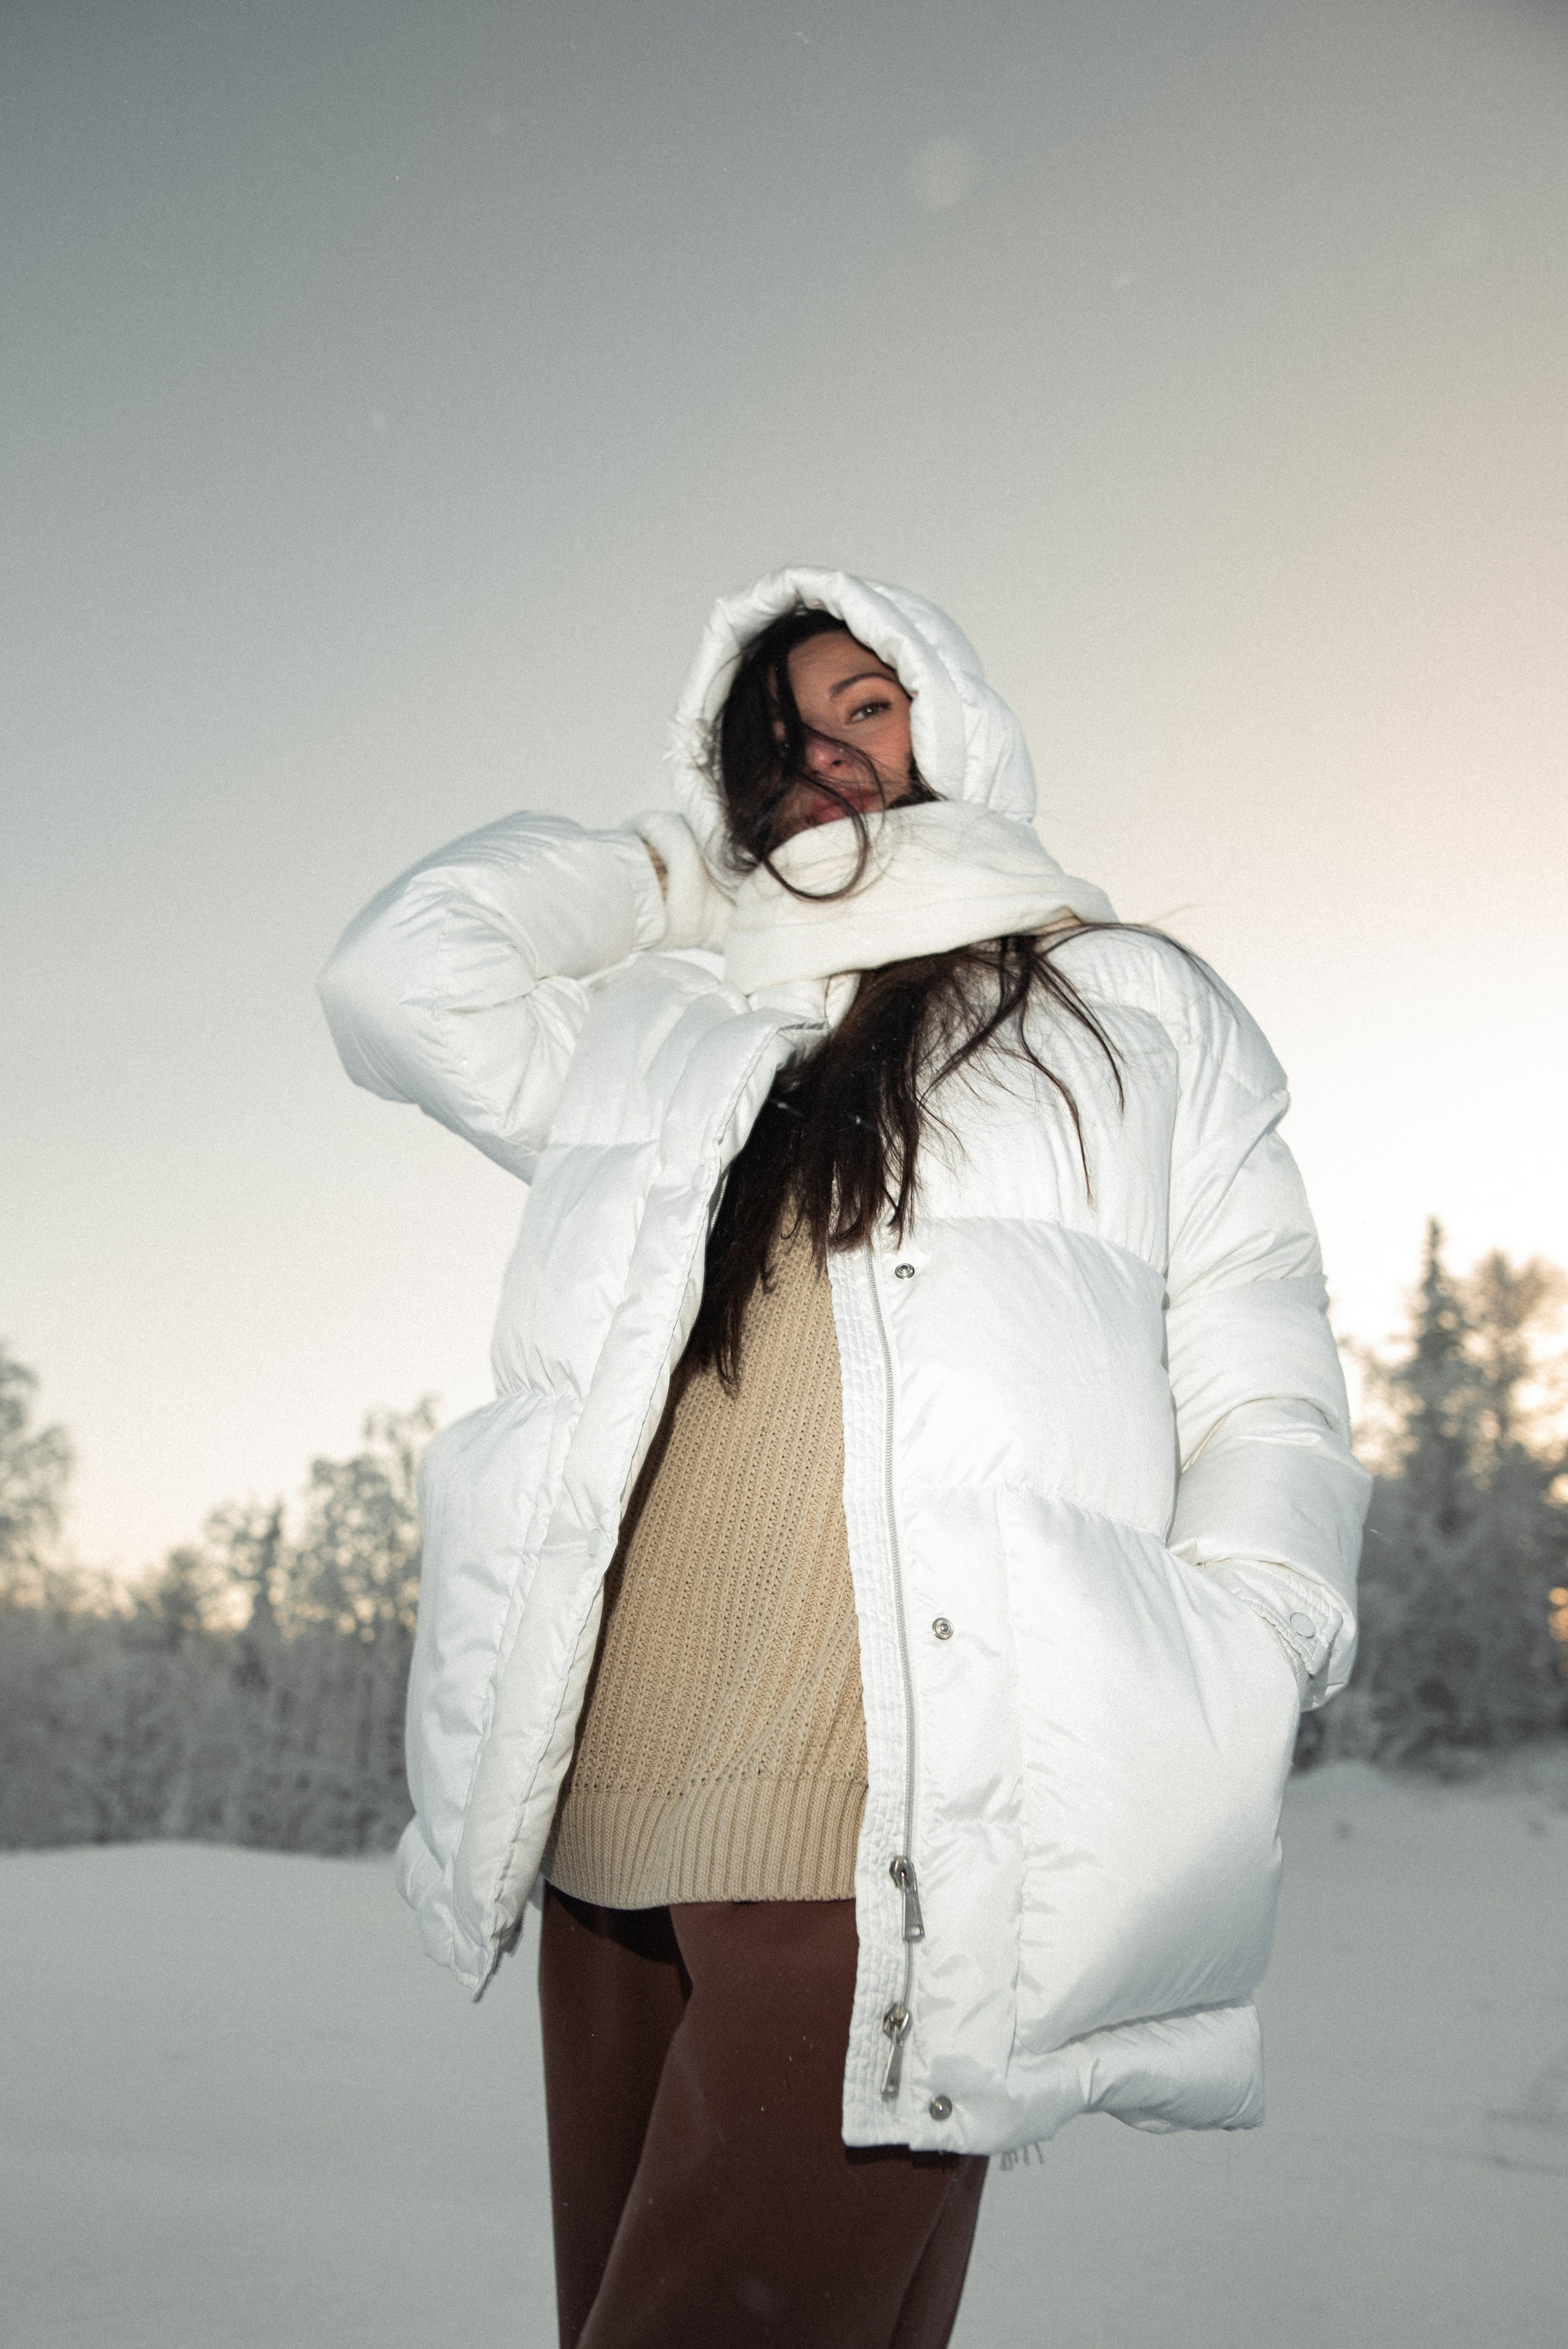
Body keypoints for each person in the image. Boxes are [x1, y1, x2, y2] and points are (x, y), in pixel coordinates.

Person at [318, 566, 1369, 2348]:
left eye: (868, 703)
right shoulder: (664, 1031)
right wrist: (674, 869)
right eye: (782, 726)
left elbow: (1264, 1385)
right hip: (609, 1839)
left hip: (888, 1833)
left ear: (950, 720)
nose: (829, 746)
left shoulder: (1117, 1005)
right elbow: (399, 975)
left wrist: (1249, 1646)